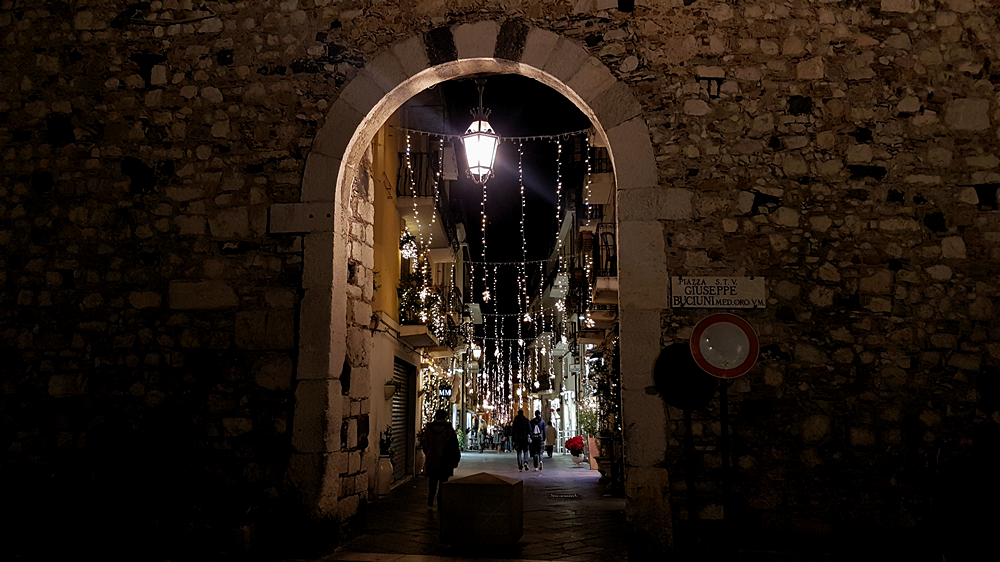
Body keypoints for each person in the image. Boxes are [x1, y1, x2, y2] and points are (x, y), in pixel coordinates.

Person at [421, 409, 461, 509]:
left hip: (432, 459)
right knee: (443, 482)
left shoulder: (429, 428)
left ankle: (430, 501)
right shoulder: (448, 429)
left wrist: (430, 453)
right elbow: (454, 444)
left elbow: (424, 443)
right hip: (445, 459)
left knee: (432, 481)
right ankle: (440, 501)